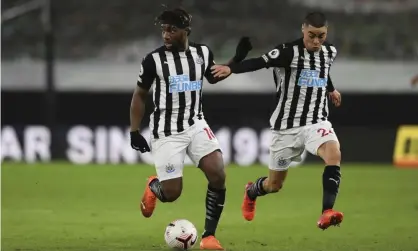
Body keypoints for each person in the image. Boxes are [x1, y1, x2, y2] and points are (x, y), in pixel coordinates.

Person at [129, 7, 252, 250]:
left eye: (172, 30)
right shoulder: (153, 60)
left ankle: (209, 236)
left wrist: (235, 61)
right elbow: (139, 95)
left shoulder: (202, 53)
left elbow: (214, 77)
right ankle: (155, 185)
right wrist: (134, 131)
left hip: (196, 123)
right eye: (163, 30)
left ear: (186, 31)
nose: (166, 35)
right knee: (172, 193)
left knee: (218, 173)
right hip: (167, 131)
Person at [211, 11, 344, 230]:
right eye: (312, 35)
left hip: (316, 121)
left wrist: (331, 89)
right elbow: (259, 62)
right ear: (303, 29)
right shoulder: (287, 52)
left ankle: (327, 212)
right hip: (285, 128)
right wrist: (231, 68)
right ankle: (252, 191)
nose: (316, 41)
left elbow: (323, 70)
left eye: (321, 36)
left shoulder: (329, 52)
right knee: (274, 185)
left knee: (334, 153)